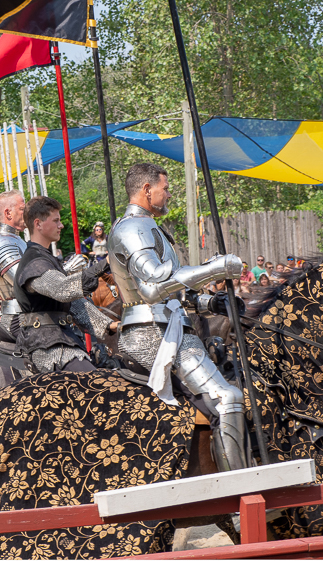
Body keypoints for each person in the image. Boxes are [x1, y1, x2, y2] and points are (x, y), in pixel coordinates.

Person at [107, 163, 247, 473]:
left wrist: (214, 303)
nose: (168, 194)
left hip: (165, 325)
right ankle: (241, 502)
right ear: (146, 190)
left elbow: (174, 294)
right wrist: (216, 268)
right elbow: (155, 286)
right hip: (153, 334)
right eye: (165, 188)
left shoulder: (150, 226)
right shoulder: (132, 228)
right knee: (228, 398)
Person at [13, 196, 117, 373]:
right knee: (97, 387)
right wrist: (106, 262)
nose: (61, 225)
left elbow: (73, 303)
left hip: (63, 340)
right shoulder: (33, 261)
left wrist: (109, 325)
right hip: (47, 346)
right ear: (38, 224)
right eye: (56, 221)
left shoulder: (46, 258)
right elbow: (63, 290)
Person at [0, 191, 28, 337]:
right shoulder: (2, 242)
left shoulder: (16, 240)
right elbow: (25, 282)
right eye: (22, 209)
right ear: (8, 213)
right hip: (18, 319)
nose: (27, 213)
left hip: (29, 315)